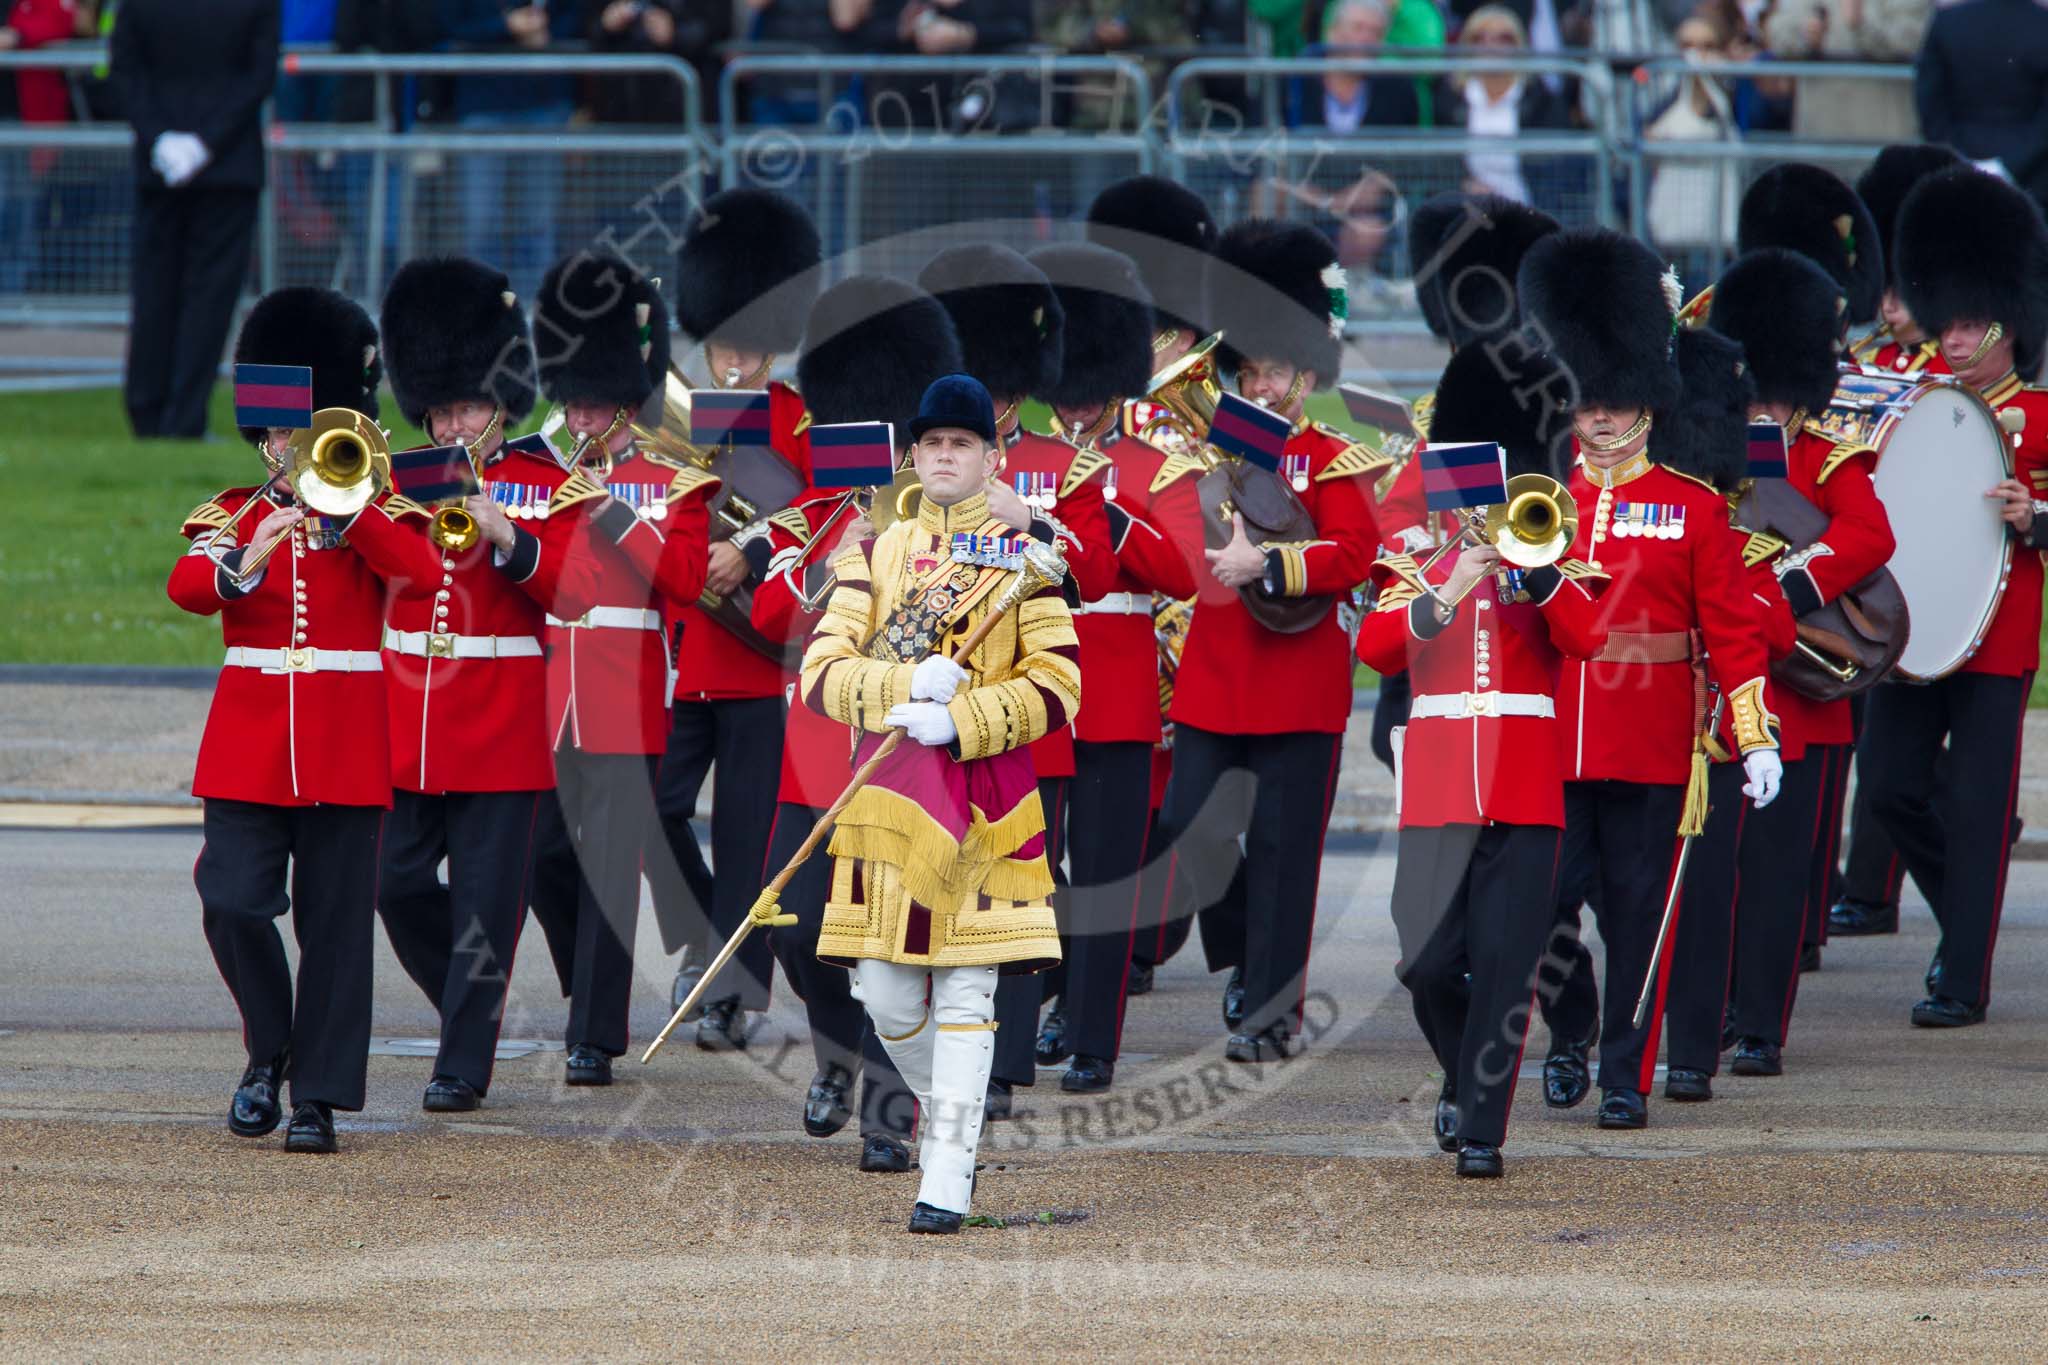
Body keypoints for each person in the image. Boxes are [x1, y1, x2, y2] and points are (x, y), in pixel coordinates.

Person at [1517, 228, 1785, 1129]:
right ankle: (1571, 1029)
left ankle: (1625, 1070)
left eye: (1617, 400)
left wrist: (1752, 733)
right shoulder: (1543, 496)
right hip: (1555, 735)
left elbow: (1735, 630)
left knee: (1639, 912)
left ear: (1648, 403)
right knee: (1547, 899)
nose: (1599, 417)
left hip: (1656, 737)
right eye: (1588, 400)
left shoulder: (1695, 507)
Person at [802, 372, 1081, 1233]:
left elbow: (1060, 685)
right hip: (887, 794)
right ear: (914, 457)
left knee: (967, 994)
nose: (947, 456)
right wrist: (901, 686)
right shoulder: (873, 552)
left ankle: (947, 1175)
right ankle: (950, 1123)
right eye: (933, 445)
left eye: (962, 444)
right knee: (885, 998)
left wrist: (959, 719)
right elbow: (819, 674)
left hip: (987, 795)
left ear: (992, 457)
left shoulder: (1029, 556)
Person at [168, 287, 441, 1153]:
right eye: (282, 436)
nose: (292, 450)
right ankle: (268, 1050)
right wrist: (243, 563)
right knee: (233, 900)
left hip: (344, 746)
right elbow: (184, 584)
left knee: (334, 929)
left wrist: (351, 508)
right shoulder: (235, 513)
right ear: (265, 438)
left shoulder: (378, 515)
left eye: (308, 432)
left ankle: (316, 1097)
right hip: (249, 748)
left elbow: (424, 573)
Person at [1358, 344, 1610, 1178]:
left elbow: (1588, 636)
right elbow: (1379, 647)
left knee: (1506, 965)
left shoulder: (1551, 547)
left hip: (1524, 785)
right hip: (1436, 788)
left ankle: (1480, 1128)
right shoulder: (1416, 557)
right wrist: (1451, 579)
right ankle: (1463, 1069)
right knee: (1425, 959)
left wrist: (1533, 575)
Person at [374, 257, 605, 1113]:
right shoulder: (394, 482)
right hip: (410, 723)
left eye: (466, 406)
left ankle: (462, 1059)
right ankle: (474, 1011)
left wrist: (512, 537)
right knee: (393, 886)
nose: (451, 422)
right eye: (439, 409)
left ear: (500, 401)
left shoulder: (549, 486)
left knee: (484, 906)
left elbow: (580, 591)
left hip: (504, 728)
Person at [1664, 254, 1892, 1095]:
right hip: (1720, 698)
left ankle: (1762, 1023)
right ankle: (1712, 1005)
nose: (1766, 406)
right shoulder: (1703, 455)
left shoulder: (1830, 458)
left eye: (1777, 393)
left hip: (1797, 691)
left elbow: (1868, 538)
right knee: (1713, 867)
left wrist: (1791, 586)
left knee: (1777, 877)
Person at [1157, 219, 1384, 1061]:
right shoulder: (1203, 452)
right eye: (1247, 370)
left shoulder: (1334, 458)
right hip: (1217, 678)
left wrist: (1276, 564)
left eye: (1275, 370)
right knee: (1189, 830)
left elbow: (1357, 555)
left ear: (1304, 372)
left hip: (1297, 680)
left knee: (1289, 858)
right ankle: (1245, 959)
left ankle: (1269, 1014)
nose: (1260, 383)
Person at [754, 274, 958, 1168]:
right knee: (796, 923)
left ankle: (888, 1112)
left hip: (901, 760)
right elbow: (764, 614)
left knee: (895, 933)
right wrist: (824, 564)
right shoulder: (813, 513)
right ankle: (835, 1055)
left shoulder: (943, 524)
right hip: (814, 762)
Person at [916, 244, 1117, 1109]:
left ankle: (1000, 1066)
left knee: (1019, 878)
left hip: (1021, 707)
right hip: (933, 704)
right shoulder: (929, 461)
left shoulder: (1067, 471)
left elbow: (1099, 573)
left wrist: (1031, 516)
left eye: (997, 397)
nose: (988, 407)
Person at [1859, 165, 2048, 1027]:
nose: (1958, 336)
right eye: (1951, 319)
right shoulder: (1906, 401)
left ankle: (1961, 976)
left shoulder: (2040, 419)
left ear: (2010, 322)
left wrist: (2037, 514)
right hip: (1913, 630)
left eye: (1974, 321)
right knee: (1893, 786)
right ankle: (1962, 919)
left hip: (1999, 639)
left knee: (1975, 810)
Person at [525, 252, 720, 1086]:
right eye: (572, 398)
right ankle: (586, 991)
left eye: (594, 400)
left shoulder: (671, 480)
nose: (579, 414)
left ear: (627, 399)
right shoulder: (533, 463)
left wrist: (610, 509)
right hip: (542, 689)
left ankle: (593, 1034)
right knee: (539, 858)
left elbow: (681, 582)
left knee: (610, 865)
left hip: (625, 687)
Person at [1026, 240, 1205, 1092]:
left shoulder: (1154, 465)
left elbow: (1183, 571)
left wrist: (1112, 509)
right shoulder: (1017, 463)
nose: (1081, 401)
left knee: (1103, 873)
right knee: (1028, 864)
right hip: (1030, 682)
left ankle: (1093, 1036)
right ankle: (1034, 1011)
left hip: (1120, 685)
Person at [650, 188, 822, 1050]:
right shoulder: (677, 415)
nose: (739, 360)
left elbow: (825, 506)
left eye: (755, 344)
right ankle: (708, 939)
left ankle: (729, 988)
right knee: (654, 805)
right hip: (688, 651)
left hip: (759, 657)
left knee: (752, 831)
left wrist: (751, 550)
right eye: (727, 341)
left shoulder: (795, 416)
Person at [1082, 174, 1219, 984]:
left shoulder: (1193, 382)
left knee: (1171, 796)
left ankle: (1146, 928)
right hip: (1123, 611)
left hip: (1182, 594)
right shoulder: (1107, 391)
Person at [110, 0, 278, 439]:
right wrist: (206, 142)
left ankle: (147, 411)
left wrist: (160, 137)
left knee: (155, 288)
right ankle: (184, 417)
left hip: (161, 165)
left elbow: (125, 70)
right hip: (227, 164)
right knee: (207, 298)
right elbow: (257, 78)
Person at [436, 1, 585, 295]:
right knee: (481, 220)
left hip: (545, 104)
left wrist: (545, 31)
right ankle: (484, 308)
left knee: (539, 220)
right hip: (483, 104)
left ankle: (534, 310)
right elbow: (448, 23)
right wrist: (506, 27)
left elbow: (576, 18)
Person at [1432, 5, 1582, 215]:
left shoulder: (1541, 98)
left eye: (1504, 38)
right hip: (1466, 215)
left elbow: (1560, 168)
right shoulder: (1449, 98)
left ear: (1519, 45)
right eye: (1480, 38)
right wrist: (1463, 187)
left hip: (1532, 212)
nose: (1491, 46)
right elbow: (1434, 164)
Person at [1846, 143, 1965, 379]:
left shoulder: (1966, 370)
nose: (1888, 306)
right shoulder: (1866, 362)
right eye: (1884, 287)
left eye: (1901, 290)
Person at [1916, 0, 2048, 210]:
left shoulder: (1947, 22)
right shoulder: (2043, 24)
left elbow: (1929, 106)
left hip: (1954, 173)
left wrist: (1962, 160)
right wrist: (2009, 165)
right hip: (2032, 178)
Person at [1761, 0, 1927, 145]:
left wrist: (1862, 26)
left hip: (1882, 138)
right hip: (1818, 139)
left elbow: (1913, 39)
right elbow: (1777, 32)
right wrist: (1804, 36)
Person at [589, 0, 730, 123]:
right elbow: (586, 28)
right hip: (621, 105)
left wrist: (675, 34)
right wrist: (606, 25)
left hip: (682, 102)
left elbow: (717, 27)